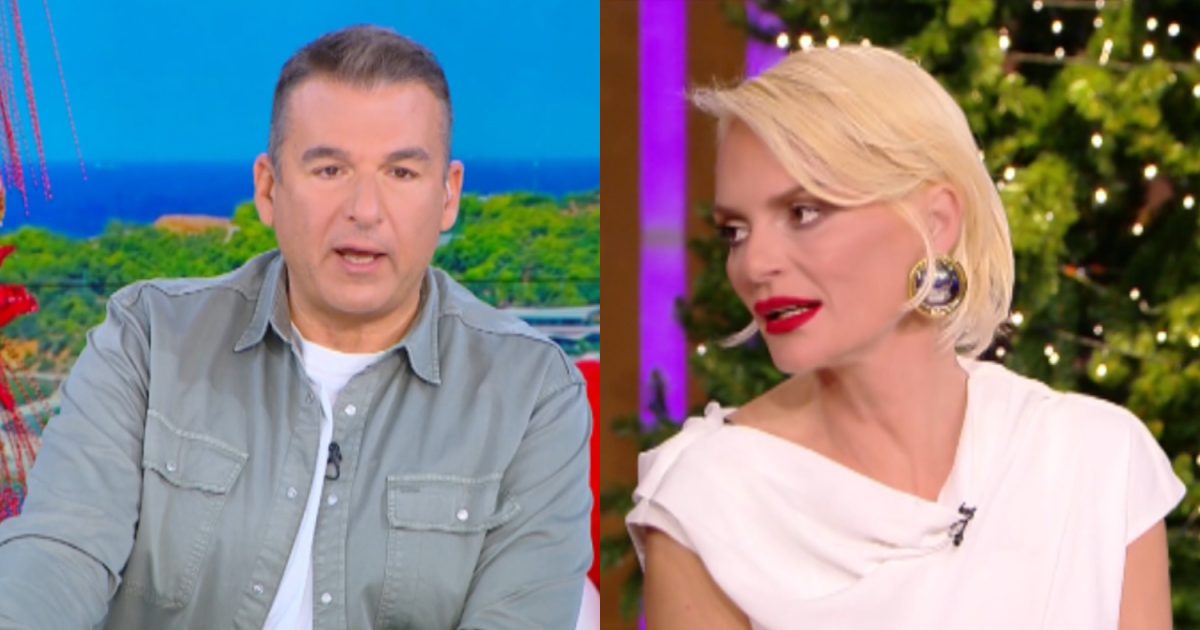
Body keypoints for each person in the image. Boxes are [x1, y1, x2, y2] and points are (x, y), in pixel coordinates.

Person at [0, 25, 592, 629]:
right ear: (268, 188)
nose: (365, 210)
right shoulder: (148, 340)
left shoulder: (532, 394)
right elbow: (59, 553)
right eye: (330, 169)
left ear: (448, 196)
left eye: (401, 173)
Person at [626, 45, 1182, 630]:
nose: (754, 264)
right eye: (735, 231)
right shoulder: (706, 503)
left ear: (936, 223)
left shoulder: (1096, 460)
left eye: (803, 212)